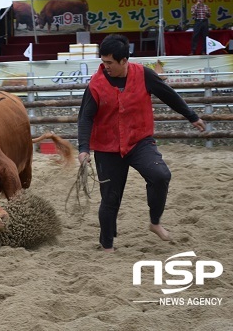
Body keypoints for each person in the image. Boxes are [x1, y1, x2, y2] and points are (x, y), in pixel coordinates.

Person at [77, 34, 206, 252]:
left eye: (109, 62)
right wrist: (83, 149)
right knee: (110, 198)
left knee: (161, 175)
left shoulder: (143, 74)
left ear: (124, 60)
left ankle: (154, 222)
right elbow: (85, 117)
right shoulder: (95, 85)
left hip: (139, 141)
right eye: (103, 62)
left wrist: (192, 116)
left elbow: (169, 95)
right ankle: (107, 246)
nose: (105, 66)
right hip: (107, 147)